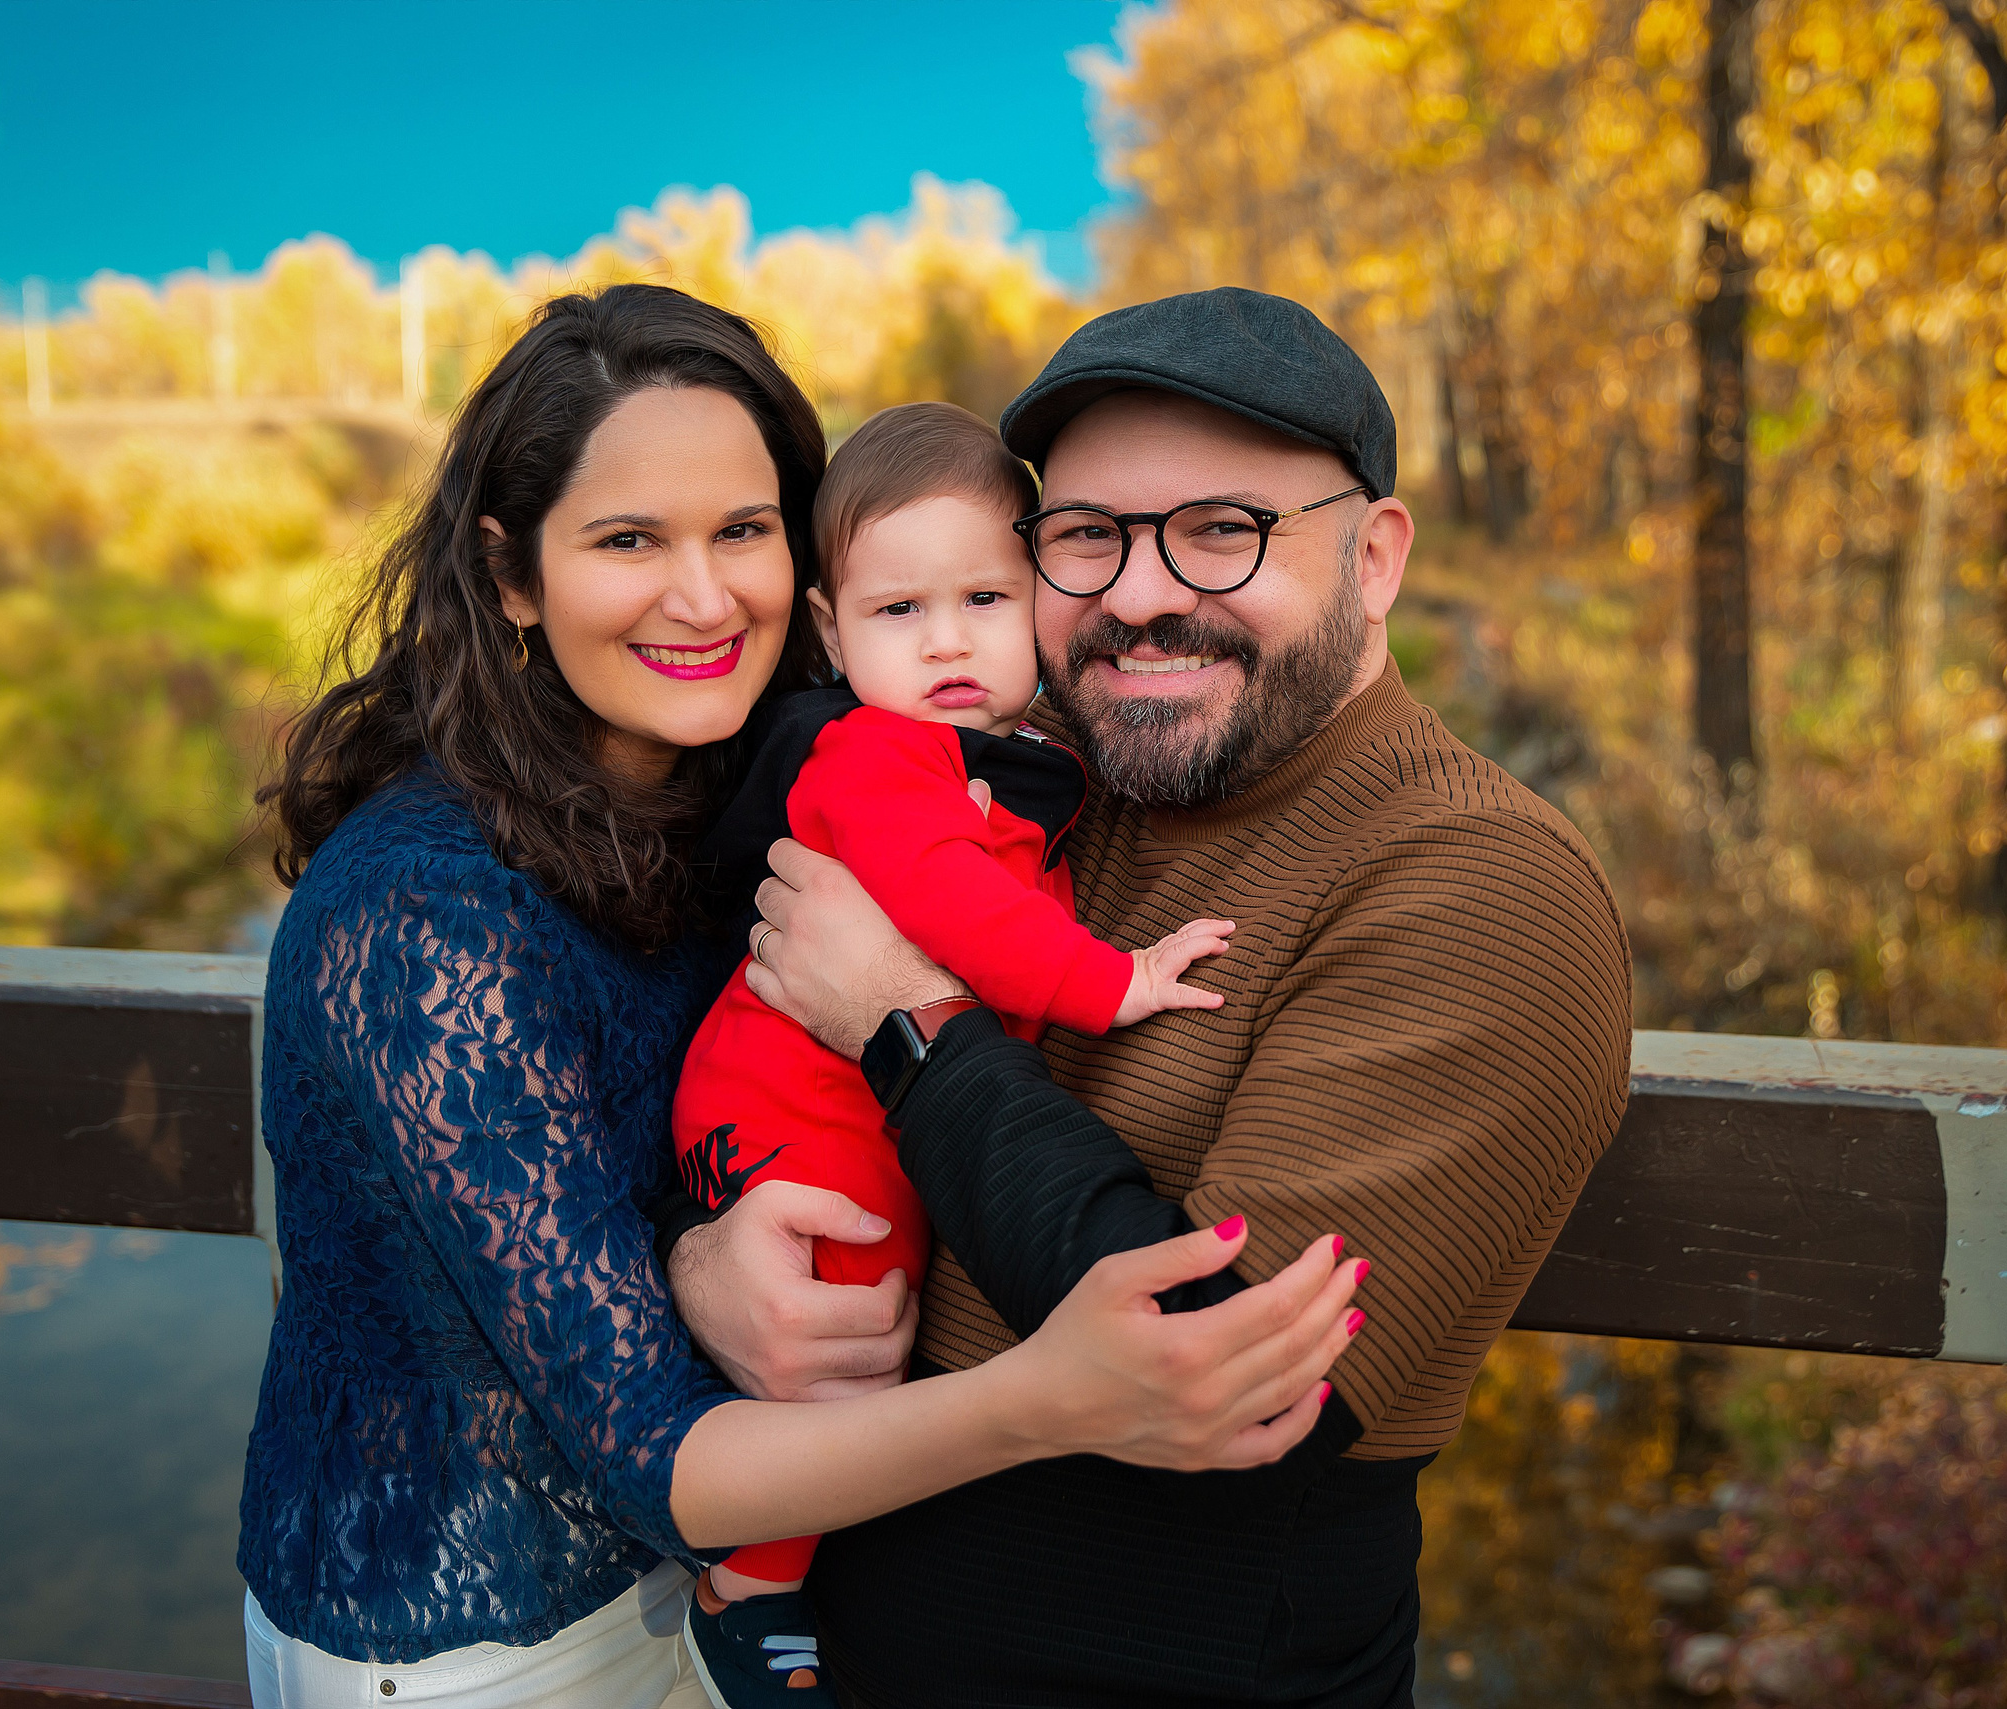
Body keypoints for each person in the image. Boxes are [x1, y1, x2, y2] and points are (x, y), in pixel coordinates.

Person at [233, 283, 1366, 1709]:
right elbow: (654, 1442)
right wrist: (1046, 1396)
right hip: (485, 1640)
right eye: (628, 539)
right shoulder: (423, 906)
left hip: (720, 1580)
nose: (703, 597)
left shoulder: (751, 779)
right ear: (512, 575)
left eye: (743, 531)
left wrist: (695, 1254)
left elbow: (634, 1164)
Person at [663, 287, 1636, 1707]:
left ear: (1376, 557)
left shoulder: (1482, 885)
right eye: (1087, 538)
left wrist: (900, 1015)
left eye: (1225, 529)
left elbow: (1229, 1359)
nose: (1138, 594)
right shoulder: (1032, 767)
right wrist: (704, 1253)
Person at [667, 402, 1245, 1698]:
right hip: (798, 1097)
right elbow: (955, 909)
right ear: (828, 631)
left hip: (832, 1082)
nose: (946, 642)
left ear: (1041, 587)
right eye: (896, 613)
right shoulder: (876, 755)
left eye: (984, 595)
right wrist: (1115, 982)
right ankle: (750, 1583)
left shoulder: (1018, 752)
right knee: (850, 1319)